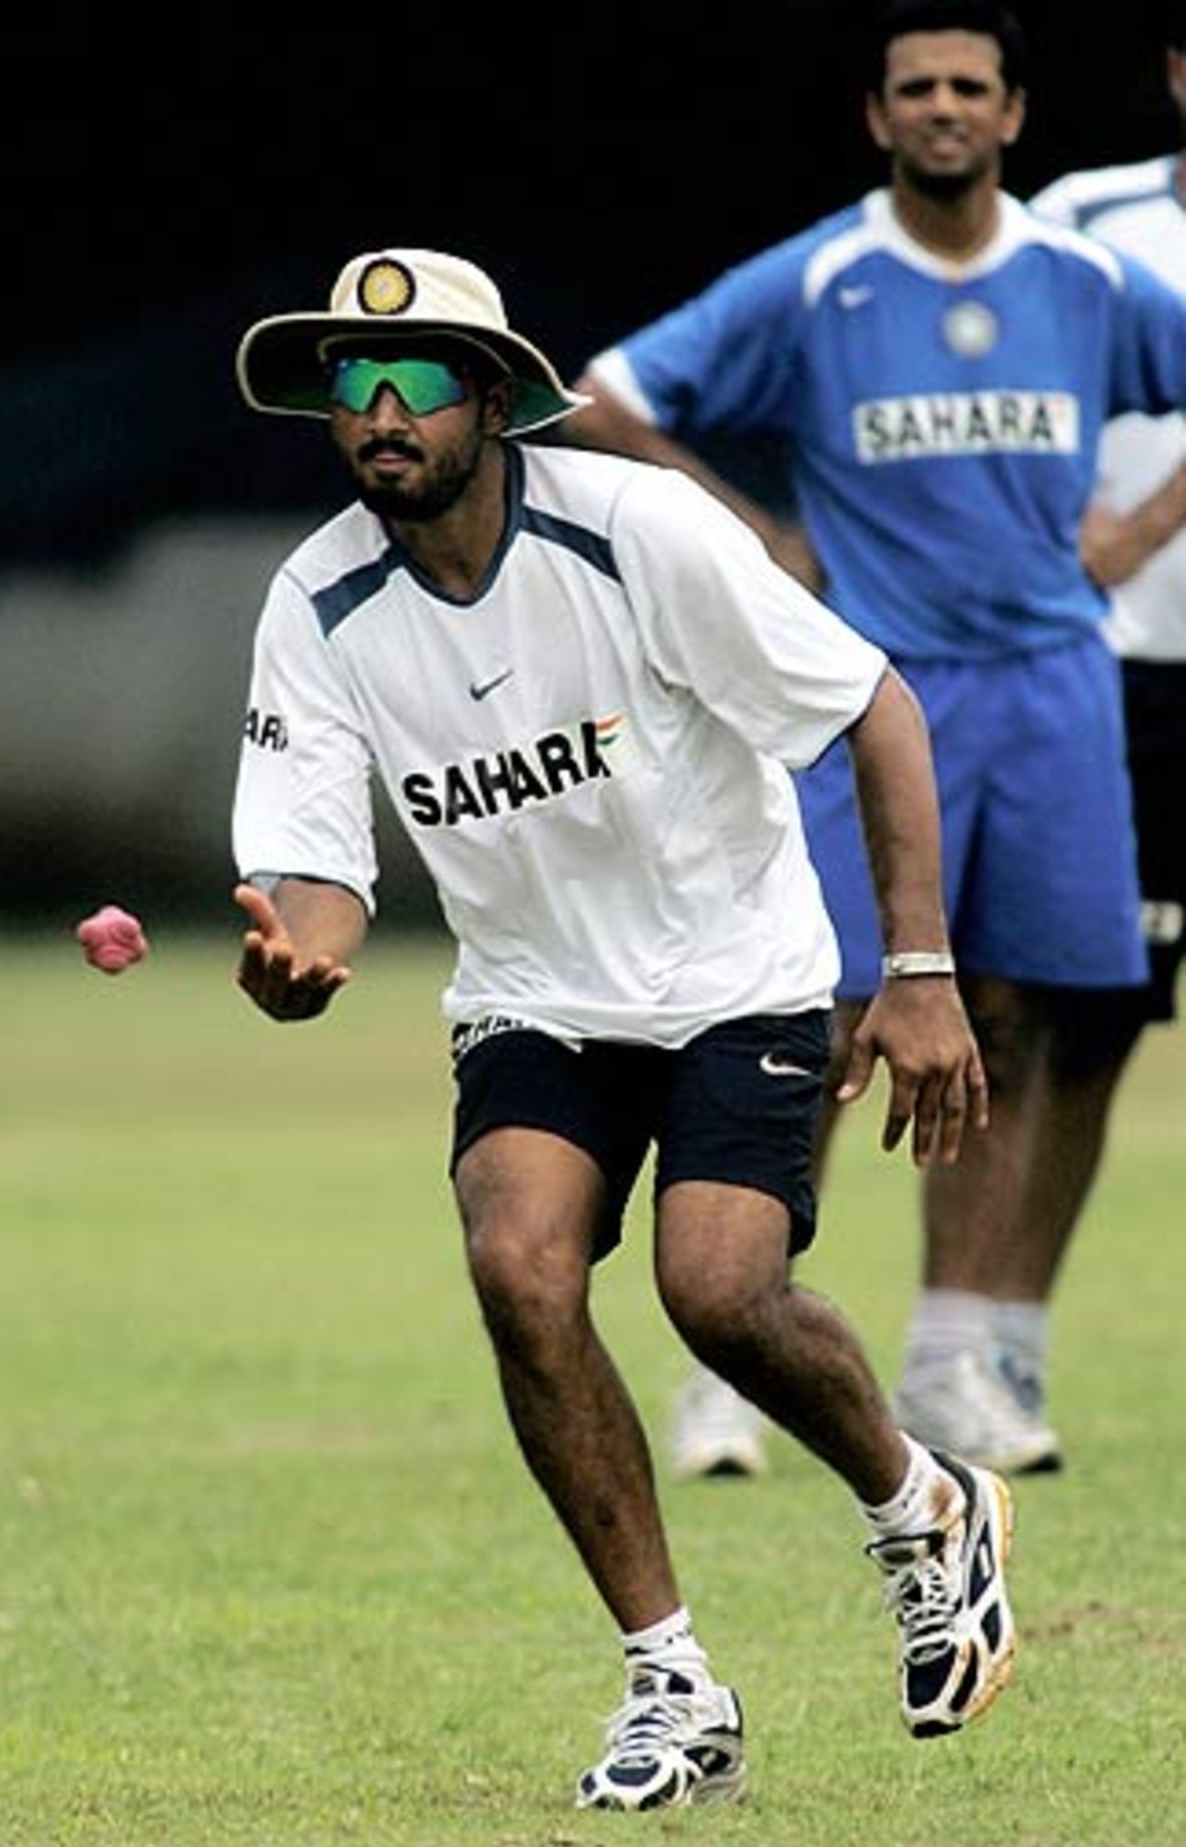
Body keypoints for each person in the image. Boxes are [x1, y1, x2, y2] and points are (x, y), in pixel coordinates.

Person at [229, 243, 1014, 1811]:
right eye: (351, 383)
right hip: (535, 994)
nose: (379, 410)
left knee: (717, 1293)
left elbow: (878, 705)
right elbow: (312, 875)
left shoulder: (636, 531)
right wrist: (292, 960)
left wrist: (917, 968)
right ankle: (672, 1682)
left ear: (495, 400)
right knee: (517, 1266)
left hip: (738, 973)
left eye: (419, 378)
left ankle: (925, 1506)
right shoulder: (317, 600)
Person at [563, 0, 1186, 1479]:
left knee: (1018, 1021)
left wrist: (1138, 527)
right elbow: (604, 397)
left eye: (973, 86)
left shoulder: (1081, 277)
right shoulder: (821, 280)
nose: (946, 109)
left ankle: (955, 1363)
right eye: (919, 87)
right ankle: (737, 1357)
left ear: (1016, 115)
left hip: (1052, 688)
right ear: (878, 115)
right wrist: (757, 536)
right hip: (869, 696)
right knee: (828, 1016)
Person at [1016, 14, 1186, 1402]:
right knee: (1083, 1016)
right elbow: (999, 360)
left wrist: (1152, 516)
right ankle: (1000, 1344)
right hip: (1120, 670)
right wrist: (1078, 520)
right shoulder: (1087, 213)